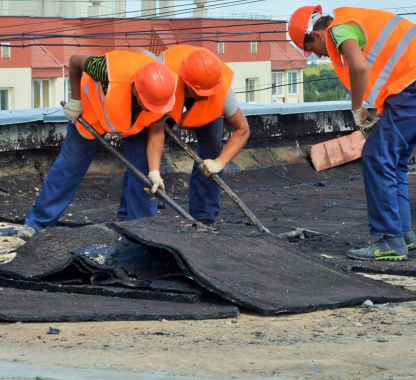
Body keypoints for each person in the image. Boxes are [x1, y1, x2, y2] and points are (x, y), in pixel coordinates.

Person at [288, 5, 416, 261]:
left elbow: (359, 67)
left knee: (376, 156)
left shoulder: (338, 30)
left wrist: (357, 109)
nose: (317, 57)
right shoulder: (354, 20)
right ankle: (403, 235)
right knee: (393, 161)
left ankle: (390, 240)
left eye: (311, 50)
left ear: (316, 35)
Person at [18, 50, 178, 237]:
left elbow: (157, 132)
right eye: (147, 104)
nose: (151, 108)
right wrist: (76, 100)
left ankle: (140, 229)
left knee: (144, 173)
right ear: (136, 89)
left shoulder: (164, 93)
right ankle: (37, 224)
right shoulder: (106, 71)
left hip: (135, 123)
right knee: (69, 167)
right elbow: (75, 60)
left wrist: (155, 171)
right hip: (92, 110)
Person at [160, 45, 250, 224]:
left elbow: (243, 130)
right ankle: (144, 207)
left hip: (199, 99)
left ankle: (204, 216)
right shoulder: (163, 75)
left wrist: (220, 162)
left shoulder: (221, 92)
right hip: (165, 93)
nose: (205, 97)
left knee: (211, 152)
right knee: (146, 146)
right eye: (201, 93)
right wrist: (154, 170)